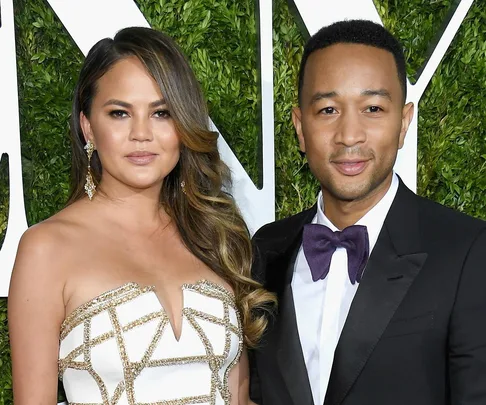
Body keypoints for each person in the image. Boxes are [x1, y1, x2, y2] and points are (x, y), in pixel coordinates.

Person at [8, 26, 273, 405]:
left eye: (161, 113)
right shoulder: (46, 249)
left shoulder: (215, 235)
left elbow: (239, 395)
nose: (141, 134)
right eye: (120, 113)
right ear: (88, 127)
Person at [249, 19, 486, 405]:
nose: (349, 135)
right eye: (327, 109)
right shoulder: (266, 249)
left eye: (373, 108)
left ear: (404, 122)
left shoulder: (468, 251)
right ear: (299, 128)